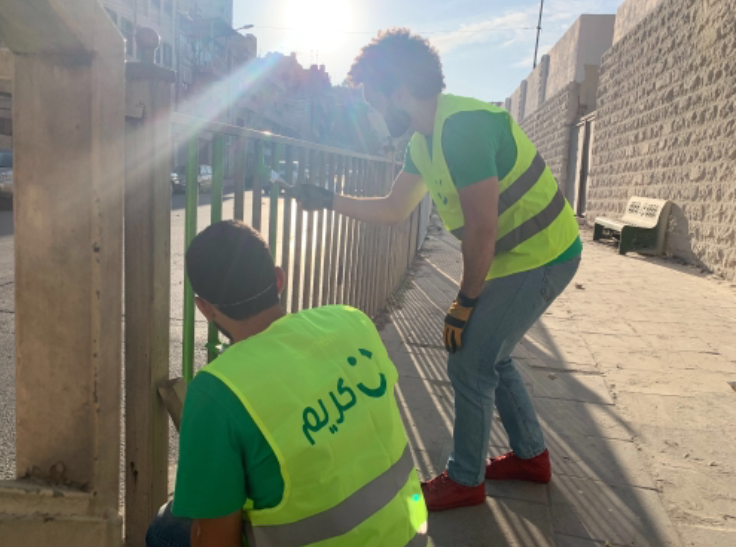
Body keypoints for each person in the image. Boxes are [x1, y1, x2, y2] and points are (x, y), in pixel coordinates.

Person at [295, 29, 582, 512]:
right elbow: (394, 208)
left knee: (469, 359)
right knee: (491, 355)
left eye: (371, 99)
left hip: (544, 255)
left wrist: (464, 302)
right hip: (515, 257)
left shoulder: (463, 128)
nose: (369, 110)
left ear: (399, 93)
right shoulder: (423, 142)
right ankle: (532, 458)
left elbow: (482, 230)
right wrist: (328, 200)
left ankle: (465, 479)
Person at [145, 220, 427, 547]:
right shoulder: (353, 321)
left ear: (205, 308)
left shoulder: (216, 393)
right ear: (279, 279)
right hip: (411, 536)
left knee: (166, 530)